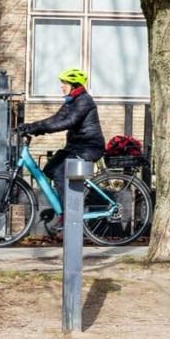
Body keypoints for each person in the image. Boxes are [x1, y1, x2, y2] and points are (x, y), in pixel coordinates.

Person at [19, 67, 106, 228]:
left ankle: (69, 214)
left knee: (60, 172)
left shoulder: (84, 100)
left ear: (74, 85)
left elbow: (68, 122)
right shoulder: (72, 101)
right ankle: (68, 205)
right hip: (76, 146)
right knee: (50, 169)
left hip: (89, 147)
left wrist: (38, 128)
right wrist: (33, 126)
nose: (61, 86)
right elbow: (56, 118)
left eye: (64, 83)